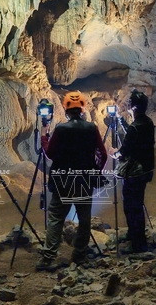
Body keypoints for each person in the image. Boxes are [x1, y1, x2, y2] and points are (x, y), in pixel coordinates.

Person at [36, 91, 108, 270]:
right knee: (84, 219)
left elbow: (50, 153)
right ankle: (79, 256)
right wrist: (95, 171)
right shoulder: (92, 128)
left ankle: (48, 257)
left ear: (66, 110)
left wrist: (44, 138)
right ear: (82, 109)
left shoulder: (61, 128)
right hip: (84, 180)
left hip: (62, 181)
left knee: (56, 217)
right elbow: (102, 154)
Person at [116, 89, 155, 254]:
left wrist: (114, 153)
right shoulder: (147, 122)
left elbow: (124, 151)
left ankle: (138, 244)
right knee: (137, 204)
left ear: (133, 107)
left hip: (133, 172)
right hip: (145, 170)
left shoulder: (135, 127)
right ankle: (135, 235)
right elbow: (135, 134)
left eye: (130, 104)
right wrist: (122, 122)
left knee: (131, 207)